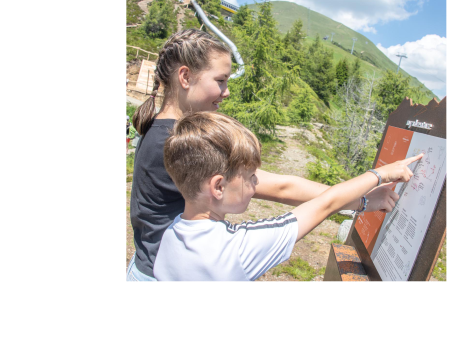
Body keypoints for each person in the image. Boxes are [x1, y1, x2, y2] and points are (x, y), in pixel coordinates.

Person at [126, 29, 400, 283]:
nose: (227, 91)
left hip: (154, 265)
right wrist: (361, 200)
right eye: (220, 81)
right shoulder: (178, 143)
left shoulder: (161, 129)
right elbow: (282, 188)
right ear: (185, 77)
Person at [153, 112, 423, 282]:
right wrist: (379, 175)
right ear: (218, 187)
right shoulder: (237, 249)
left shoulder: (170, 234)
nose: (257, 183)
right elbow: (324, 205)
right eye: (250, 177)